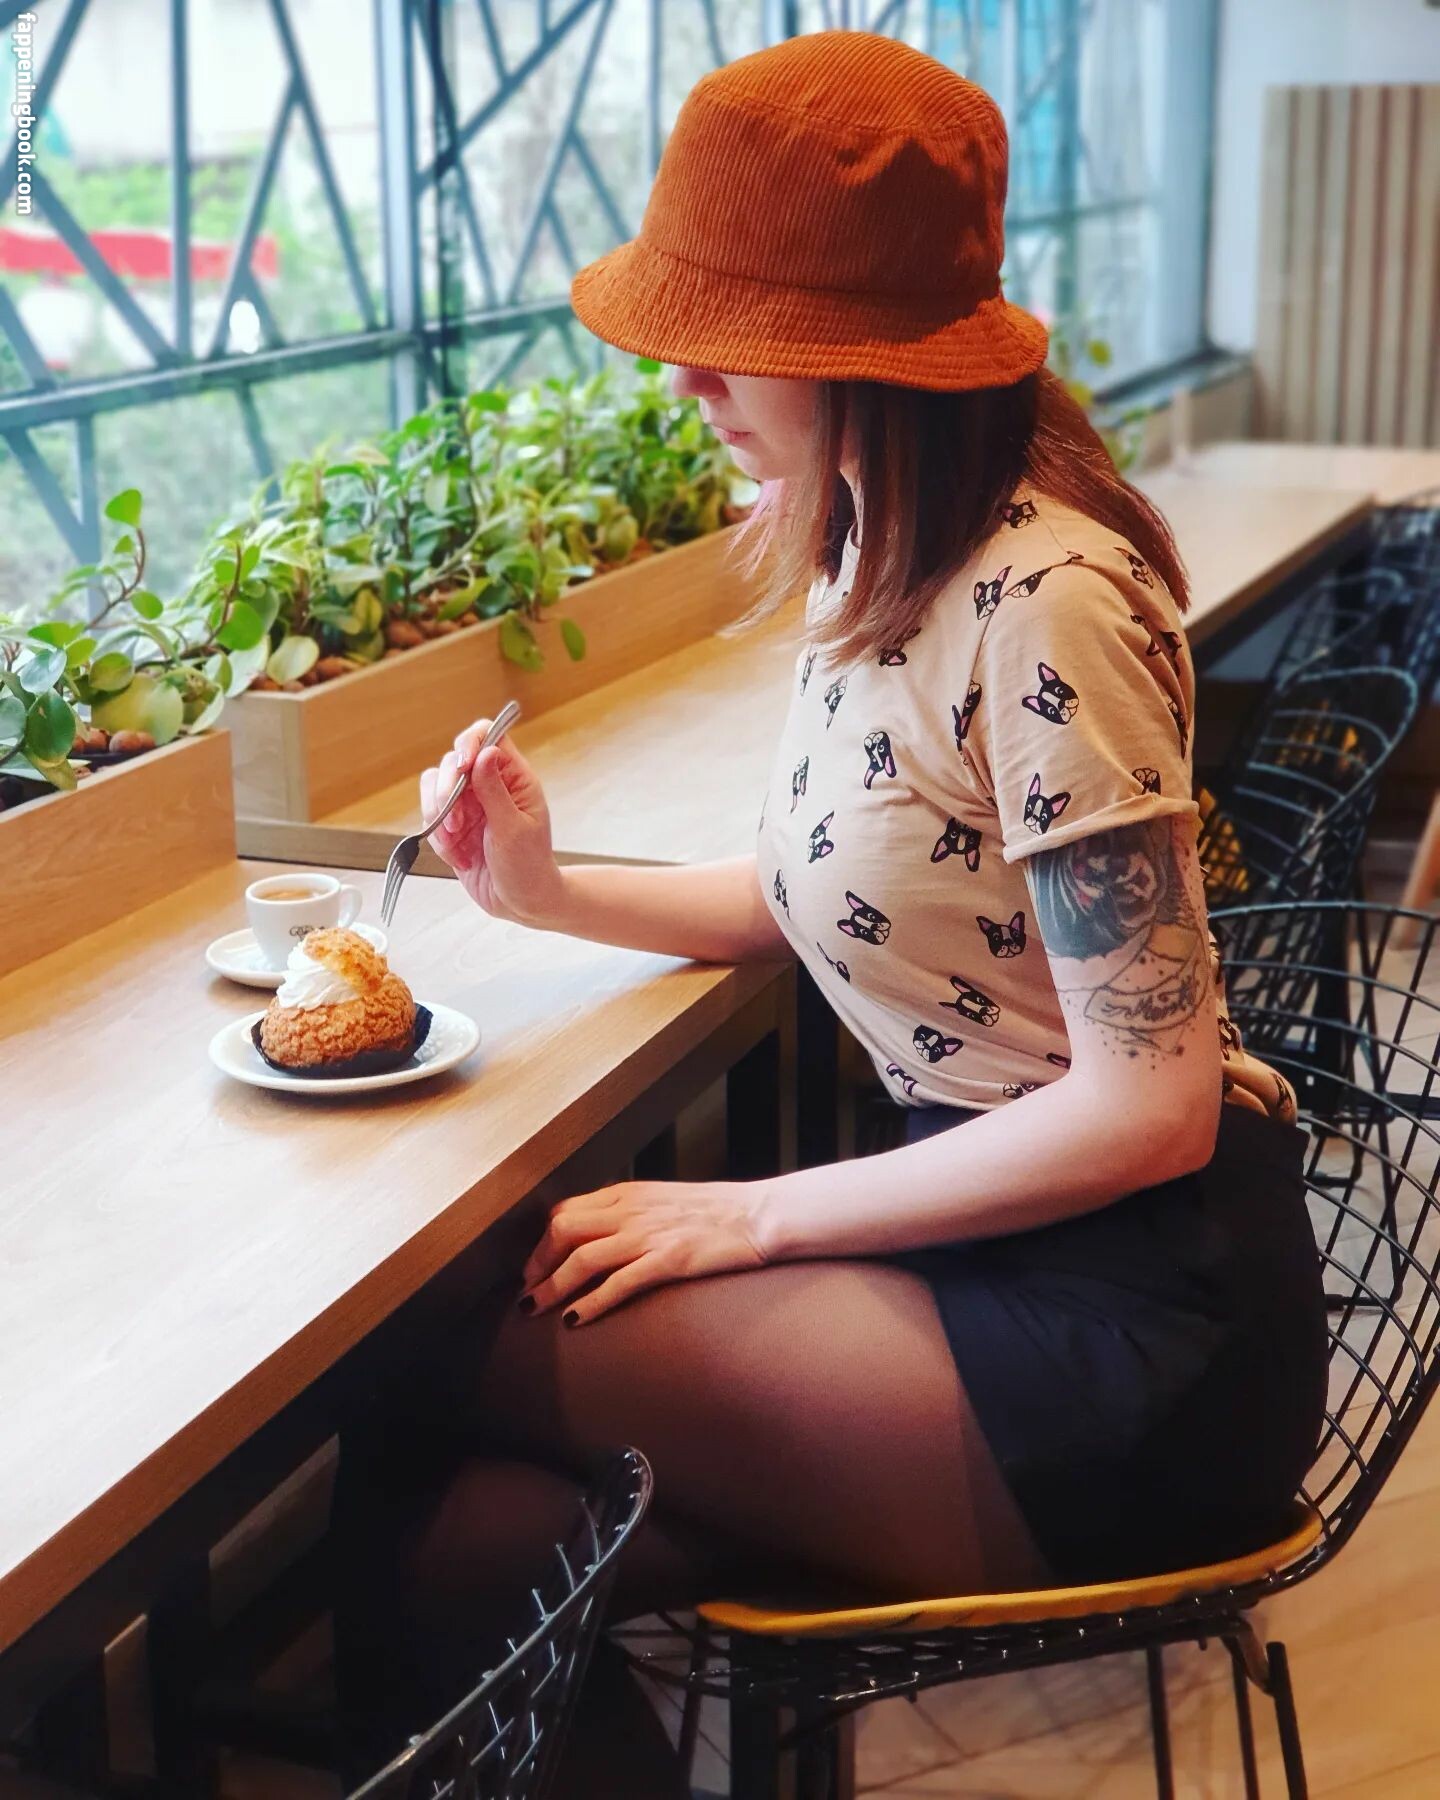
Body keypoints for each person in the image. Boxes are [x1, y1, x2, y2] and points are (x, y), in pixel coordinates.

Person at [333, 30, 1327, 1795]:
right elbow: (823, 902)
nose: (683, 374)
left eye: (732, 333)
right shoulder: (879, 543)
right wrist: (541, 890)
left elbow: (1154, 1107)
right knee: (464, 1550)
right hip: (985, 1242)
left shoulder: (1048, 600)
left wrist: (753, 1217)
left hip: (1132, 1318)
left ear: (867, 353)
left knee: (430, 1340)